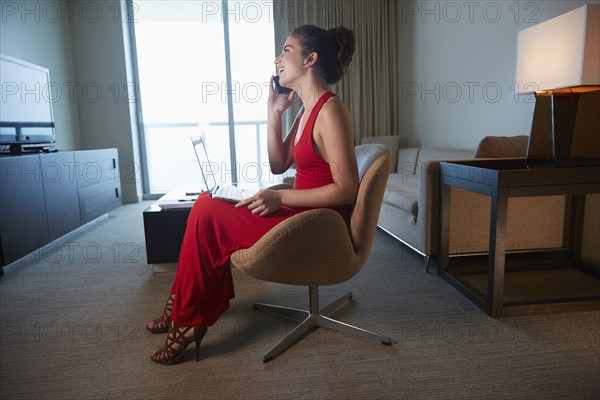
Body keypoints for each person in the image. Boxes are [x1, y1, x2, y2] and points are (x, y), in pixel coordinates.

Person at [147, 25, 358, 365]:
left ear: (310, 59)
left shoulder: (330, 111)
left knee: (206, 211)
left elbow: (346, 190)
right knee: (206, 202)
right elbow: (278, 165)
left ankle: (185, 316)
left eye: (286, 50)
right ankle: (183, 311)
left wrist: (281, 199)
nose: (277, 59)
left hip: (316, 225)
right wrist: (273, 112)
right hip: (299, 215)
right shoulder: (307, 110)